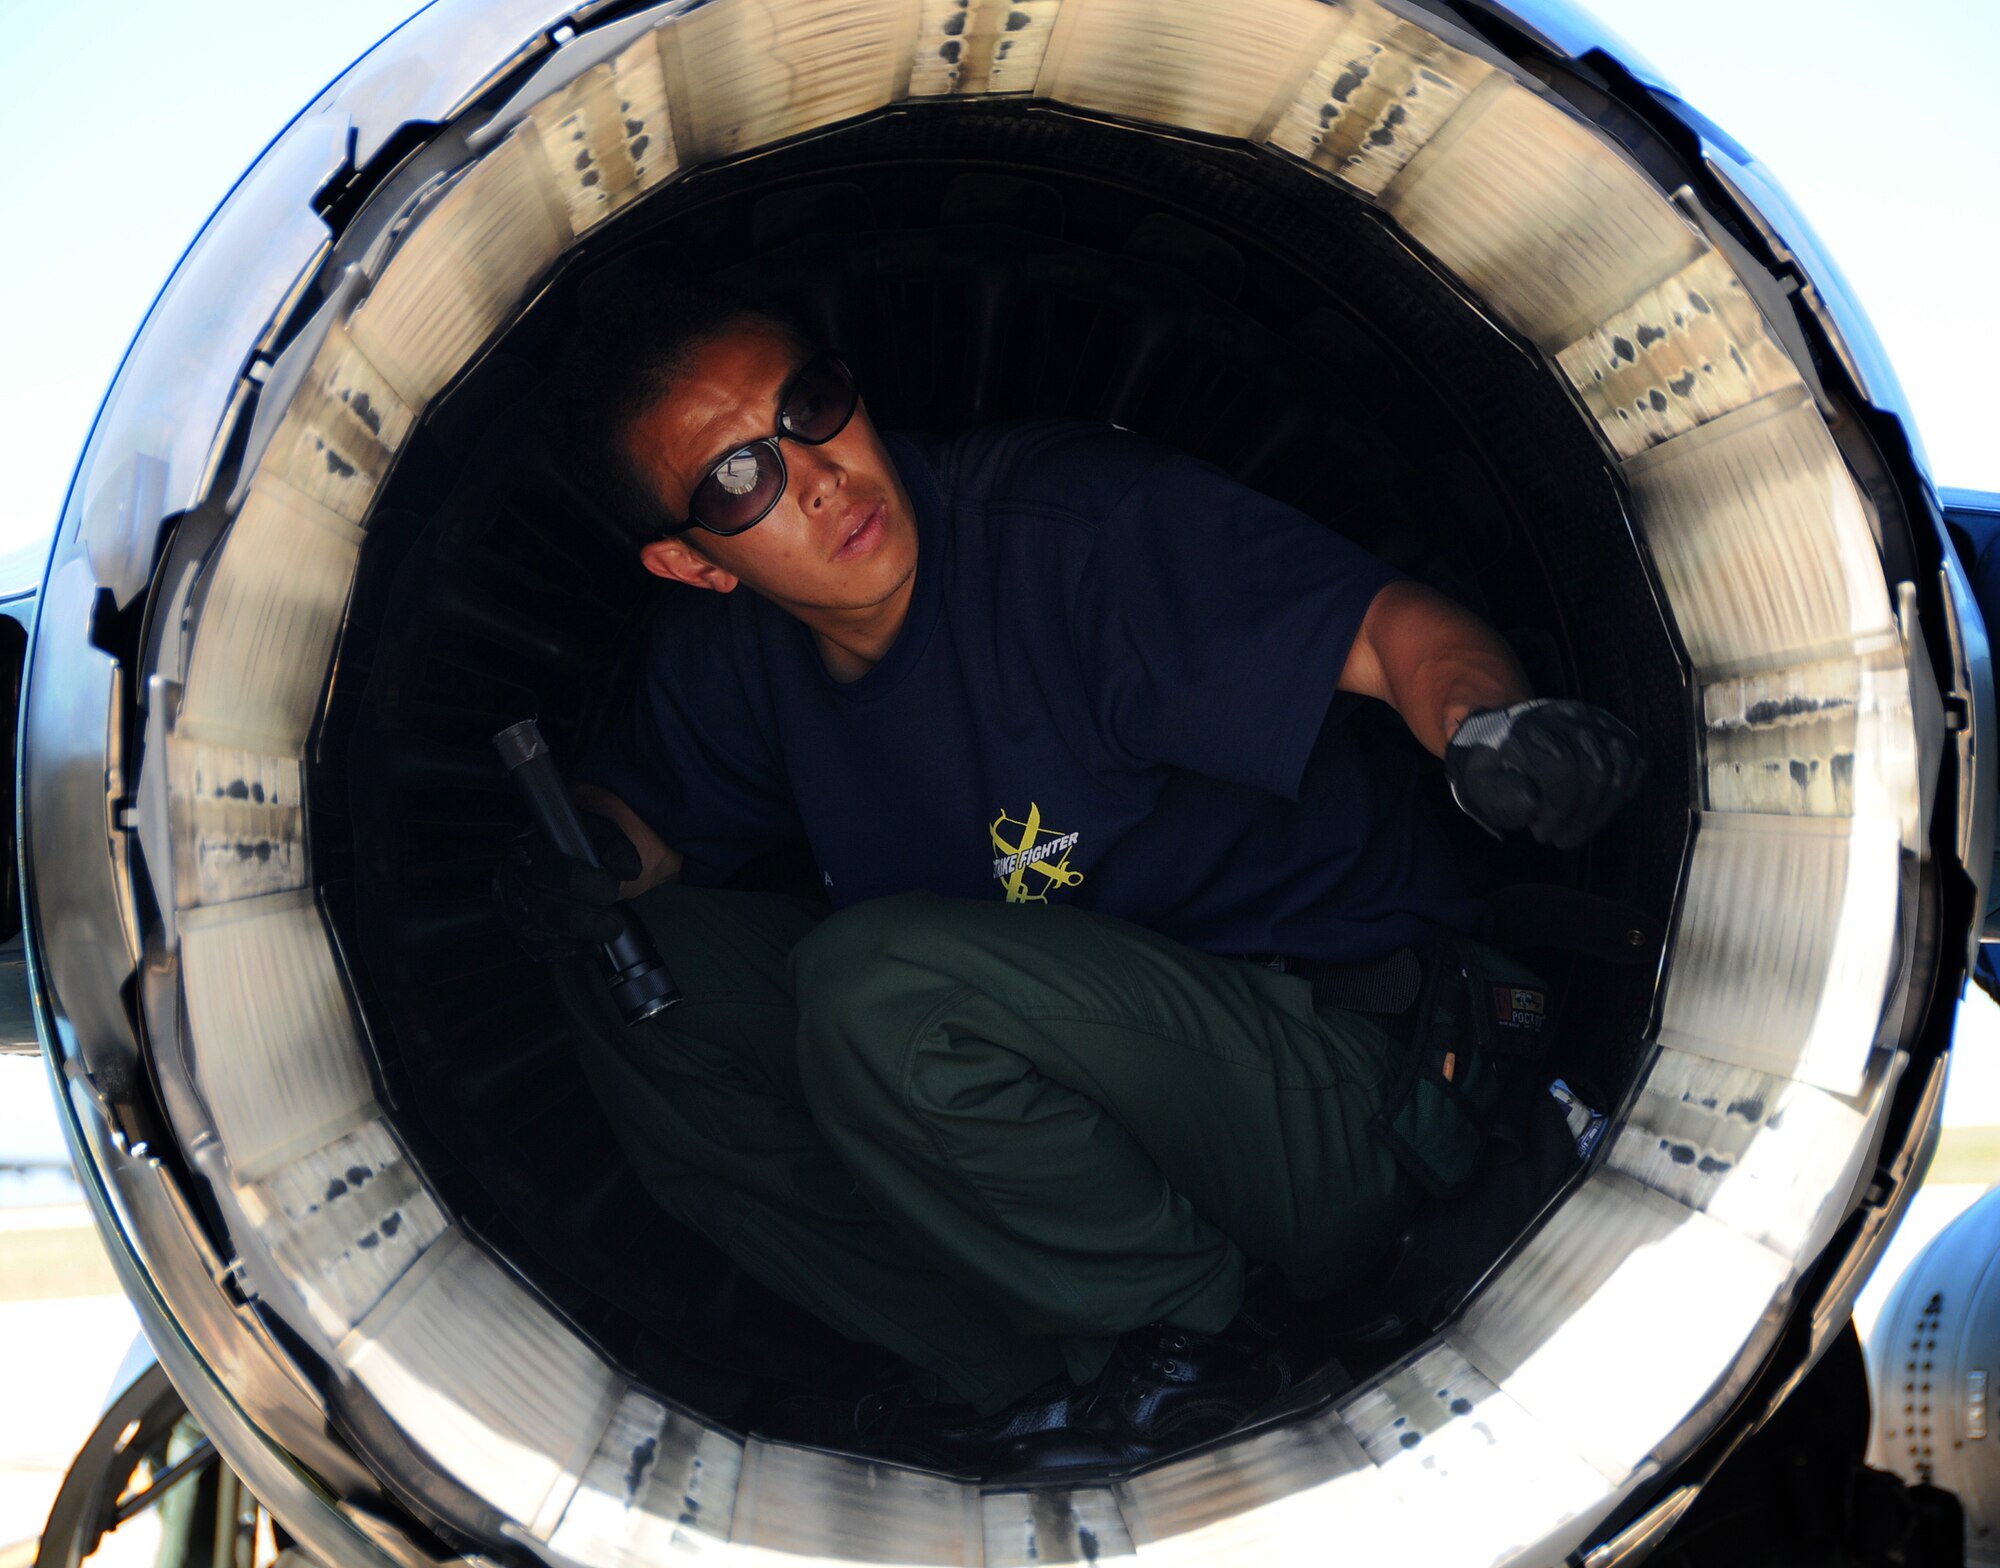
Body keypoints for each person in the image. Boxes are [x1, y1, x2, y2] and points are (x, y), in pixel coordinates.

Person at [498, 276, 1643, 1473]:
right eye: (740, 478)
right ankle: (1031, 1382)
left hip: (1343, 1087)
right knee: (644, 974)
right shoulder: (739, 650)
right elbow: (651, 815)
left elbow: (1393, 632)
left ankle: (1200, 1352)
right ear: (694, 565)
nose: (816, 474)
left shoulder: (1071, 534)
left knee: (882, 985)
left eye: (810, 408)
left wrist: (1491, 732)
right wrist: (577, 858)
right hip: (1099, 1106)